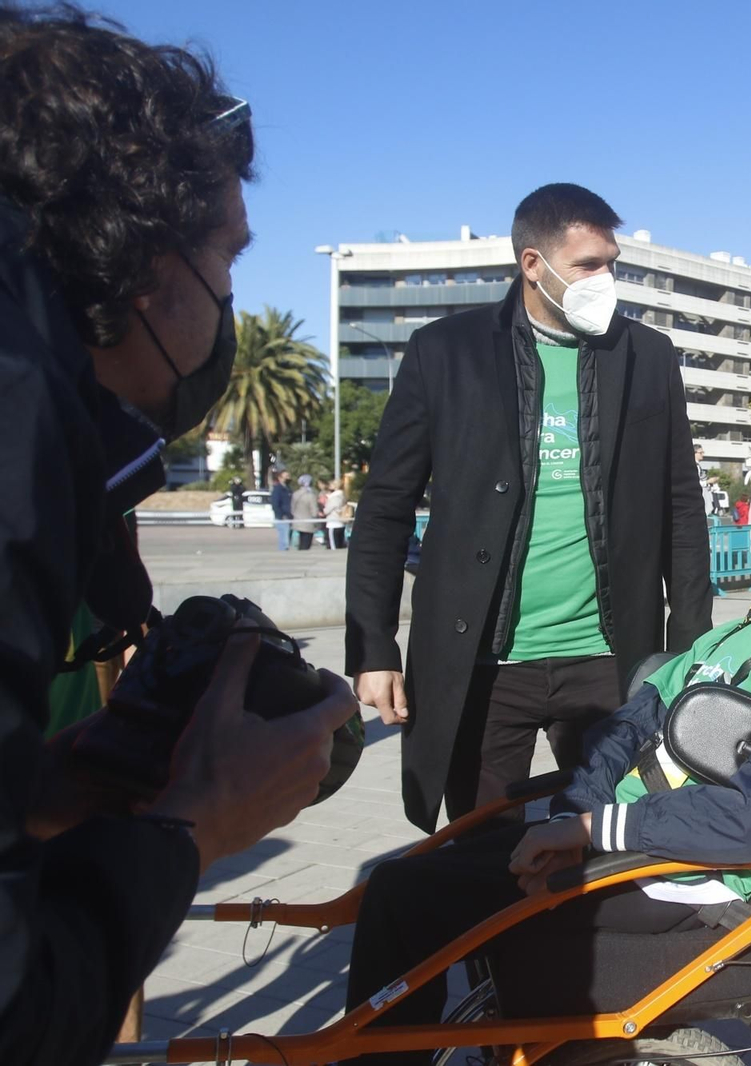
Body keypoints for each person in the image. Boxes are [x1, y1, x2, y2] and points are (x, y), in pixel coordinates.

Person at [0, 10, 356, 1061]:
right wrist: (195, 824)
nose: (230, 304)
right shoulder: (17, 405)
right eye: (230, 263)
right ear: (148, 258)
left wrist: (60, 786)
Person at [341, 455, 751, 1064]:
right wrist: (578, 814)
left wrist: (598, 827)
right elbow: (631, 723)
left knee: (402, 895)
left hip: (681, 872)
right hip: (623, 844)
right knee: (412, 878)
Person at [346, 182, 714, 833]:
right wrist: (372, 646)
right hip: (483, 667)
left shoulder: (645, 356)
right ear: (533, 266)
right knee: (479, 860)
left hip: (609, 663)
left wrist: (687, 647)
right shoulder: (445, 353)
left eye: (611, 263)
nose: (606, 280)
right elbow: (383, 510)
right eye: (588, 265)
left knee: (610, 852)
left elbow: (682, 509)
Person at [290, 473, 320, 549]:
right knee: (306, 544)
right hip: (308, 523)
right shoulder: (311, 495)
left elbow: (292, 508)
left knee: (301, 542)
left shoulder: (295, 494)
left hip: (298, 521)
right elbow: (314, 511)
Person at [270, 466, 294, 550]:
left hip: (289, 517)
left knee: (287, 539)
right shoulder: (277, 489)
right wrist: (280, 515)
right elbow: (275, 504)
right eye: (286, 477)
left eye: (288, 476)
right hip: (282, 518)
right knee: (284, 541)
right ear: (280, 478)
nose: (288, 478)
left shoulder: (288, 489)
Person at [324, 479, 348, 550]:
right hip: (341, 523)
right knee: (339, 545)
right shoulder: (343, 496)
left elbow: (327, 510)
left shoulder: (334, 497)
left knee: (333, 547)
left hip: (333, 523)